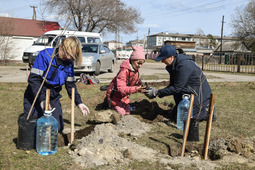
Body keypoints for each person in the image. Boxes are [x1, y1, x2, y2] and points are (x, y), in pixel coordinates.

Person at [23, 36, 90, 132]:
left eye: (71, 56)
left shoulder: (69, 63)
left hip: (53, 95)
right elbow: (34, 80)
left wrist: (79, 102)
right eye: (67, 54)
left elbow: (70, 85)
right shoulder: (45, 55)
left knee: (56, 128)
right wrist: (42, 100)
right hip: (36, 94)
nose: (68, 58)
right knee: (33, 127)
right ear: (62, 47)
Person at [145, 45, 216, 123]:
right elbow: (172, 86)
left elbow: (176, 88)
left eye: (163, 59)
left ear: (171, 57)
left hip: (198, 95)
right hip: (188, 93)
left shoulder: (184, 66)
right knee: (175, 116)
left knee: (186, 120)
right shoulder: (174, 65)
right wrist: (156, 93)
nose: (162, 61)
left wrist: (157, 92)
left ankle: (207, 110)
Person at [106, 45, 146, 115]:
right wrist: (136, 89)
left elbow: (138, 83)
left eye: (141, 64)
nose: (140, 66)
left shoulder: (136, 71)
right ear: (132, 60)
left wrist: (143, 88)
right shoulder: (124, 71)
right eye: (138, 63)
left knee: (127, 112)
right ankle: (111, 108)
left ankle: (122, 107)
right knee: (121, 113)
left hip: (124, 97)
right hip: (115, 96)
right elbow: (121, 88)